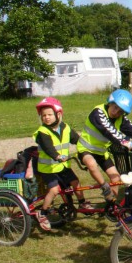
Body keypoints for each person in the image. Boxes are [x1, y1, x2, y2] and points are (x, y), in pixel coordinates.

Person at [77, 89, 132, 202]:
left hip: (102, 152)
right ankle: (104, 187)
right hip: (86, 149)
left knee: (116, 178)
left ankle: (112, 203)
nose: (116, 112)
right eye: (115, 107)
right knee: (92, 164)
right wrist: (124, 141)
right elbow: (108, 130)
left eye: (120, 111)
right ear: (110, 102)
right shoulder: (98, 112)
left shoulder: (120, 118)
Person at [33, 97, 89, 231]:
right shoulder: (42, 132)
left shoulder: (65, 127)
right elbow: (48, 147)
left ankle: (82, 203)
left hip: (63, 166)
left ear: (58, 114)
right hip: (48, 169)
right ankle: (43, 212)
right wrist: (57, 156)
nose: (46, 118)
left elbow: (77, 140)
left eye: (49, 115)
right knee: (54, 190)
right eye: (43, 115)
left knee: (76, 182)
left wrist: (88, 147)